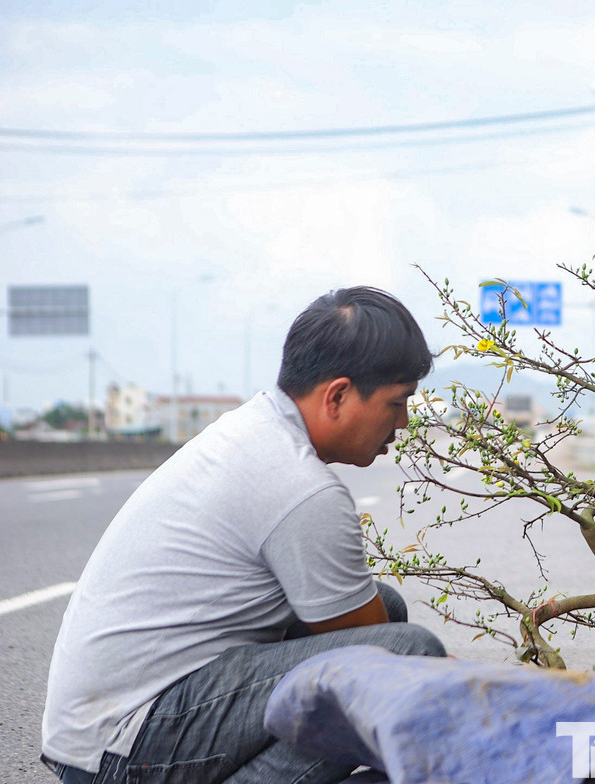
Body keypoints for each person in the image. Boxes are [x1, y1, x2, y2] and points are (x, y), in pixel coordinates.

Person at [41, 286, 447, 784]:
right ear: (338, 395)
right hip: (123, 745)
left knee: (386, 609)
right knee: (407, 654)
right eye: (397, 402)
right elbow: (383, 658)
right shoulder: (299, 485)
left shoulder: (254, 427)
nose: (402, 422)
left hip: (100, 732)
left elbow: (365, 628)